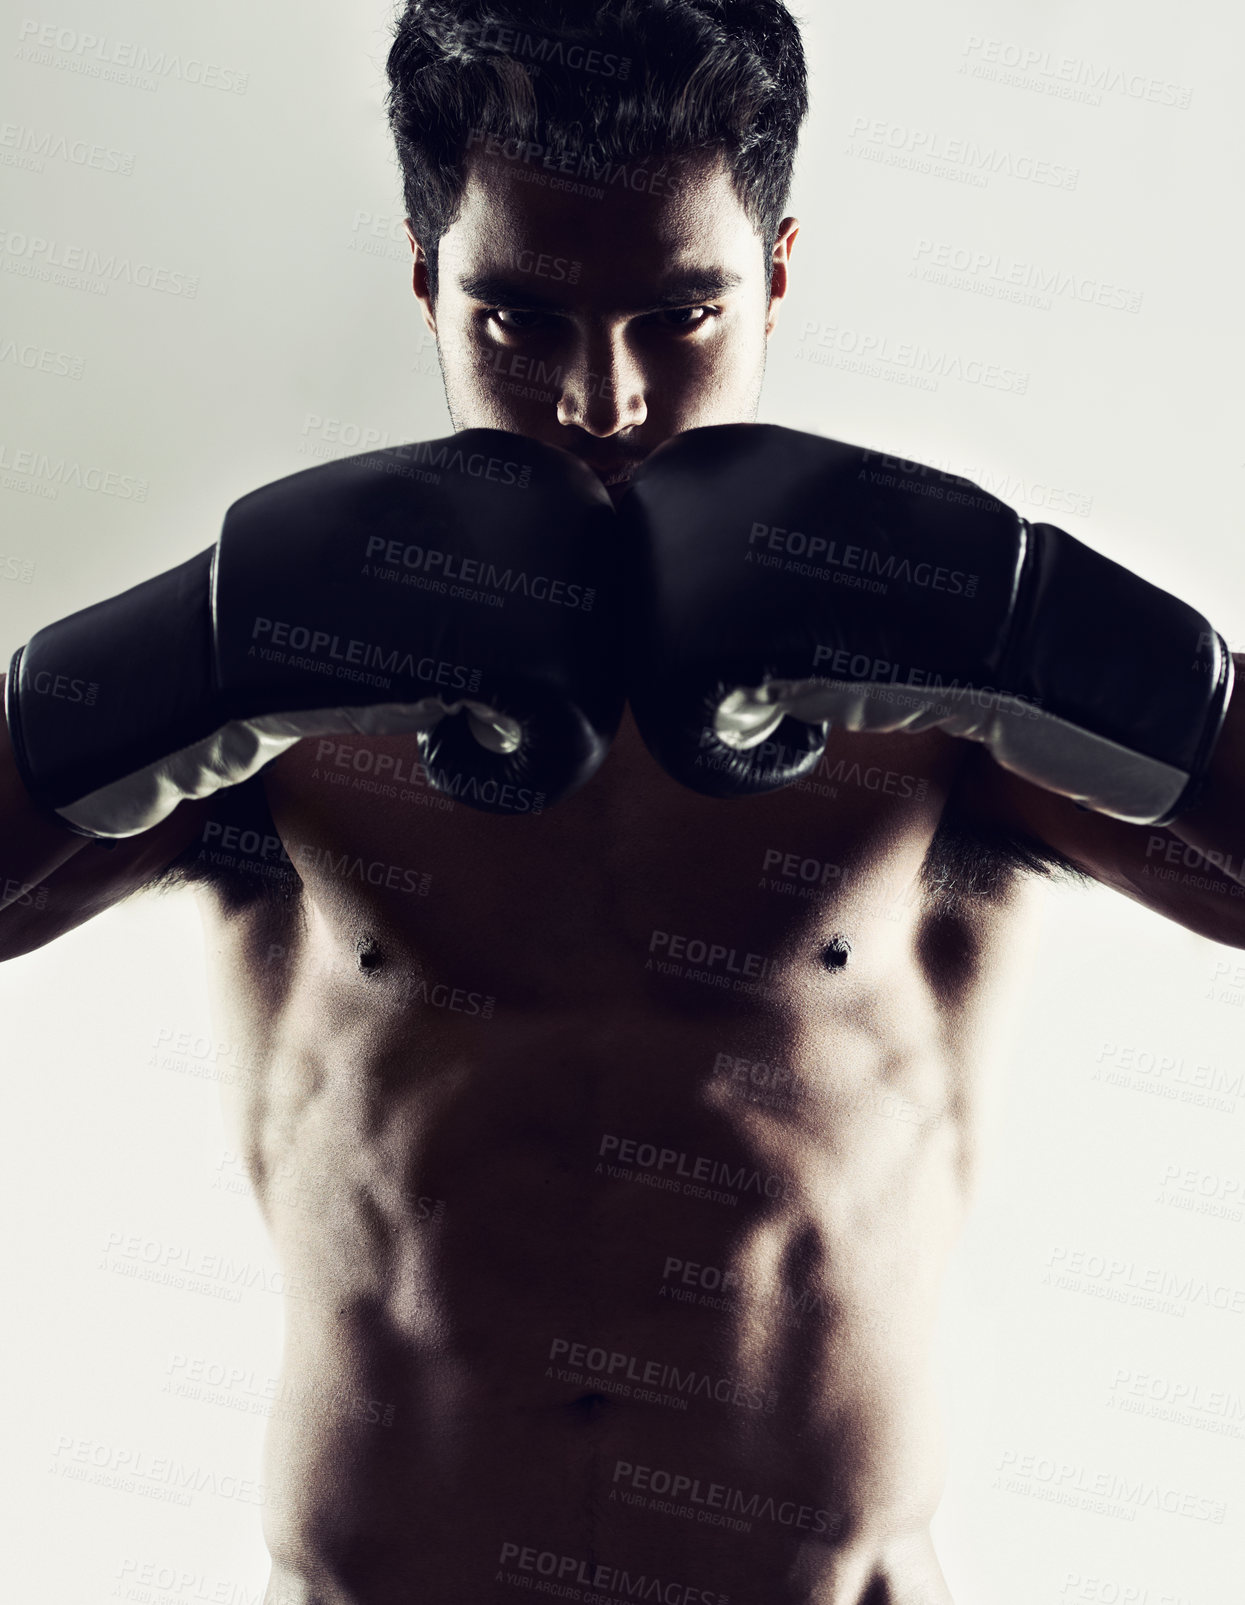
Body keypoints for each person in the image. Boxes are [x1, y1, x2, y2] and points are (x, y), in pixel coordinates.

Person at [2, 3, 1243, 1601]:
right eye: (517, 319)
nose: (603, 398)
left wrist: (1036, 629)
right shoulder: (302, 672)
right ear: (421, 275)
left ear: (779, 271)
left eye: (680, 312)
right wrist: (190, 658)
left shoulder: (927, 688)